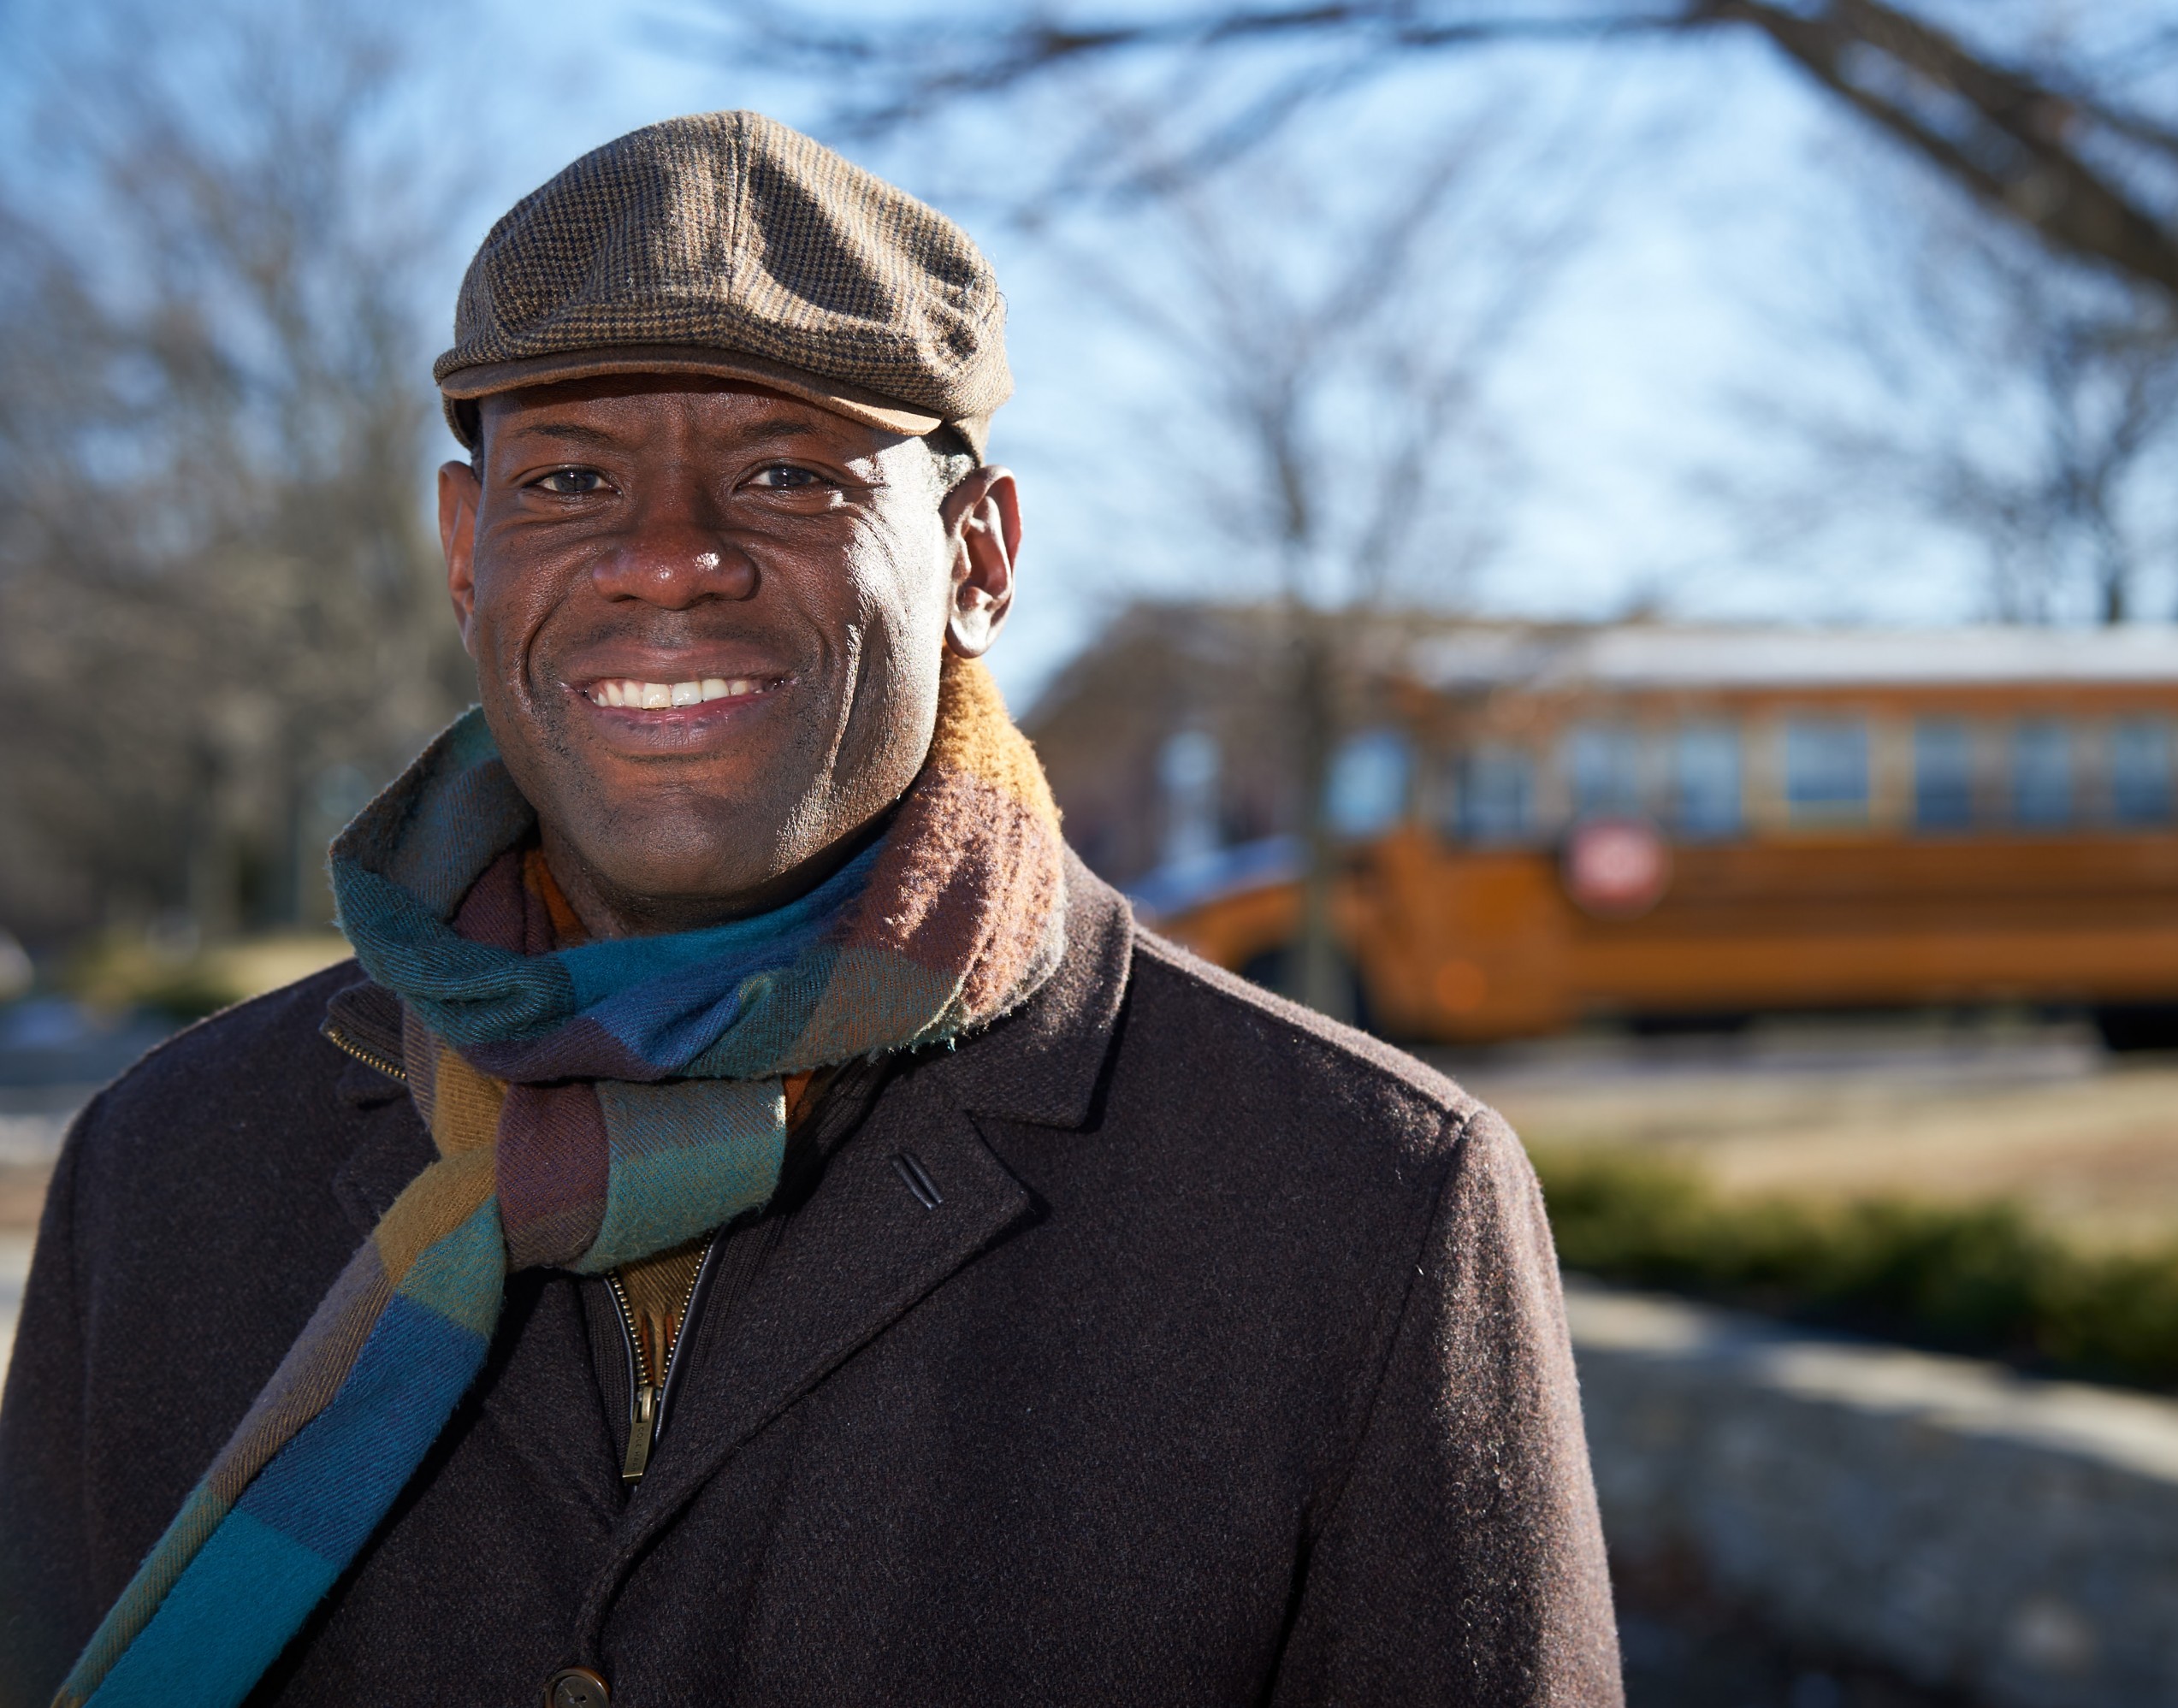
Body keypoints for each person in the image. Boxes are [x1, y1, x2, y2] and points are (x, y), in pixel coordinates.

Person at [0, 111, 1619, 1708]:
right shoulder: (162, 1174)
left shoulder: (1364, 1202)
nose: (667, 558)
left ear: (980, 558)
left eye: (785, 472)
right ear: (463, 548)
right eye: (568, 477)